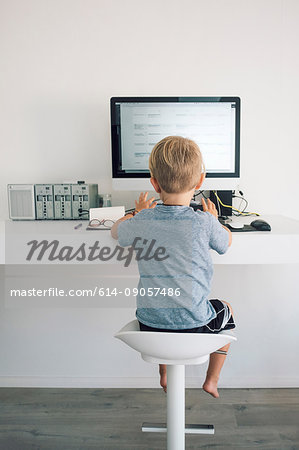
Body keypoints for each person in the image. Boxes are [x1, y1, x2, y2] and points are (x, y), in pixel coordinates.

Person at [111, 136, 235, 398]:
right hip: (194, 325)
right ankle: (212, 380)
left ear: (154, 183)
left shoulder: (143, 219)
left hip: (150, 326)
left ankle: (164, 373)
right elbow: (225, 243)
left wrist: (135, 212)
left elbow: (116, 232)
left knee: (164, 315)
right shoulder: (203, 222)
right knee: (227, 309)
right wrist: (215, 219)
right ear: (200, 182)